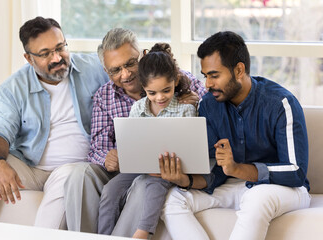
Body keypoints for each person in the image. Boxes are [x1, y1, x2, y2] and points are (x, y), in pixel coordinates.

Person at [160, 31, 311, 240]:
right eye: (205, 76)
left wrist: (238, 169)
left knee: (257, 197)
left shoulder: (280, 103)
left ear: (239, 70)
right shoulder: (209, 105)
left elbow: (296, 171)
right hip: (233, 186)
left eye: (214, 75)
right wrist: (185, 180)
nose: (207, 84)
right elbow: (216, 171)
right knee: (172, 199)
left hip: (283, 189)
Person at [0, 16, 110, 229]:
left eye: (60, 47)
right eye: (45, 54)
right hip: (31, 167)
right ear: (29, 58)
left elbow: (134, 77)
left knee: (69, 178)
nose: (57, 57)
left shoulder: (94, 68)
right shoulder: (14, 87)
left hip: (76, 166)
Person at [63, 28, 207, 235]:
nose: (126, 74)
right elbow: (98, 146)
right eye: (116, 70)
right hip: (127, 167)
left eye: (130, 63)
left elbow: (212, 117)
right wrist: (108, 157)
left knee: (144, 184)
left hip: (169, 167)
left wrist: (197, 101)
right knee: (81, 175)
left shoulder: (175, 78)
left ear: (142, 55)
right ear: (107, 72)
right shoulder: (105, 97)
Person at [98, 43, 197, 239]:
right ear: (144, 88)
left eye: (166, 91)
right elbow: (133, 146)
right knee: (110, 190)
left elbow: (190, 148)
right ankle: (103, 236)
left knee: (155, 184)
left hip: (169, 168)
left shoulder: (186, 109)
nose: (159, 97)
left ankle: (143, 231)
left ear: (175, 82)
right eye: (152, 93)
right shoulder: (137, 109)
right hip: (142, 166)